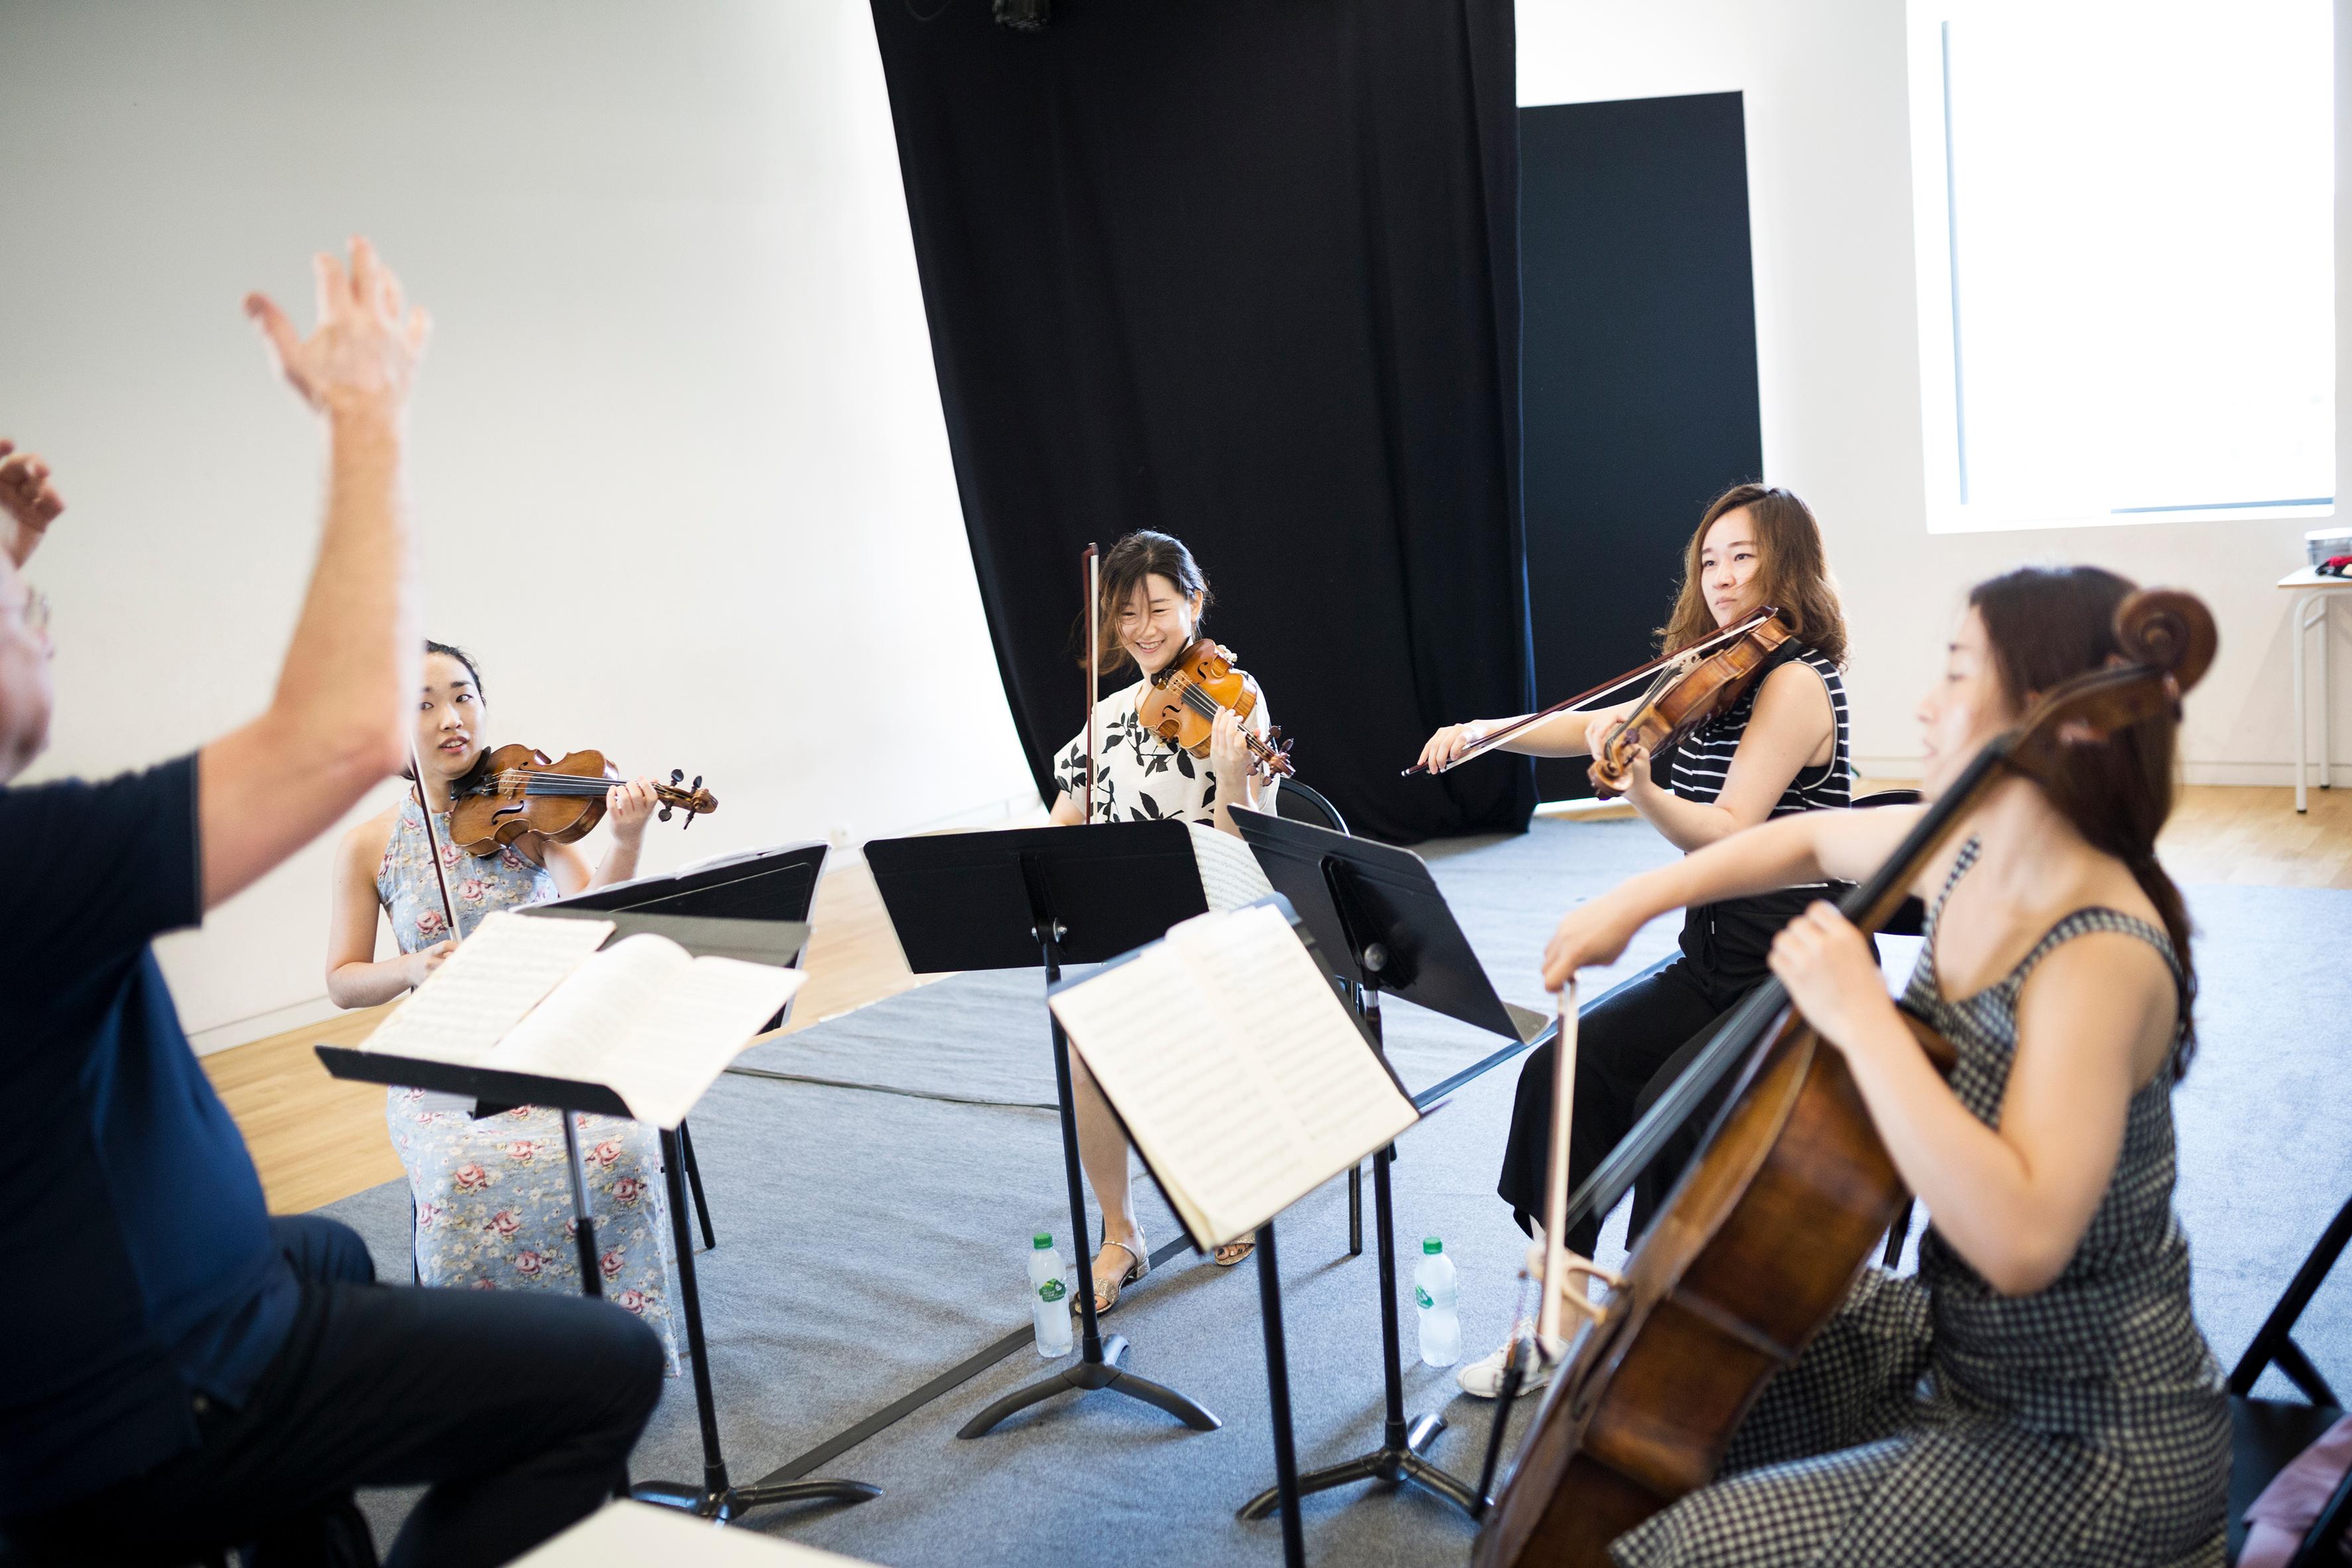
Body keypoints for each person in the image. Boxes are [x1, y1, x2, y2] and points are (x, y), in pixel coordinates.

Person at [0, 242, 663, 1568]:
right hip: (152, 1388)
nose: (47, 623)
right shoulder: (29, 861)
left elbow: (588, 890)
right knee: (608, 1371)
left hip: (93, 1342)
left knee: (329, 1257)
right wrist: (367, 412)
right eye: (22, 607)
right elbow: (335, 732)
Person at [1541, 564, 2229, 1567]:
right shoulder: (1966, 847)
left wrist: (1863, 1016)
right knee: (1680, 1381)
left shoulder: (2099, 952)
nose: (1923, 701)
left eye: (1956, 672)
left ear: (2053, 719)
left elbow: (2022, 1240)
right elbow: (1809, 836)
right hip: (1958, 1340)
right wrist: (1636, 900)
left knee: (1681, 1551)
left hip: (2087, 1437)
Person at [1418, 483, 1856, 1395]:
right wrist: (1484, 732)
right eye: (1708, 558)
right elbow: (1593, 725)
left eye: (1742, 555)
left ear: (1786, 565)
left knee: (1663, 1107)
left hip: (1789, 968)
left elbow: (1734, 833)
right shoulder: (1714, 671)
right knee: (1559, 1070)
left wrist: (1645, 793)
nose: (1722, 575)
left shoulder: (1794, 680)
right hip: (1710, 956)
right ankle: (1558, 1312)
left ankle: (1655, 1341)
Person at [324, 640, 682, 1367]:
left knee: (623, 1145)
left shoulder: (529, 812)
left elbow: (597, 914)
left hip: (553, 1035)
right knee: (459, 1171)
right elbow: (342, 979)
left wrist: (630, 836)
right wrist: (413, 966)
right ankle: (489, 1365)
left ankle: (617, 1348)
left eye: (462, 695)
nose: (451, 718)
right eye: (422, 705)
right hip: (444, 1055)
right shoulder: (368, 846)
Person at [1046, 529, 1280, 1306]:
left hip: (1215, 915)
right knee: (1082, 1045)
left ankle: (1230, 1185)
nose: (1144, 629)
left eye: (1159, 608)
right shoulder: (1106, 718)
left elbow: (1245, 843)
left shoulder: (1235, 702)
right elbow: (1065, 822)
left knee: (1198, 1015)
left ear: (1194, 604)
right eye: (1126, 614)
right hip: (1125, 925)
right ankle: (1122, 1232)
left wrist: (1237, 771)